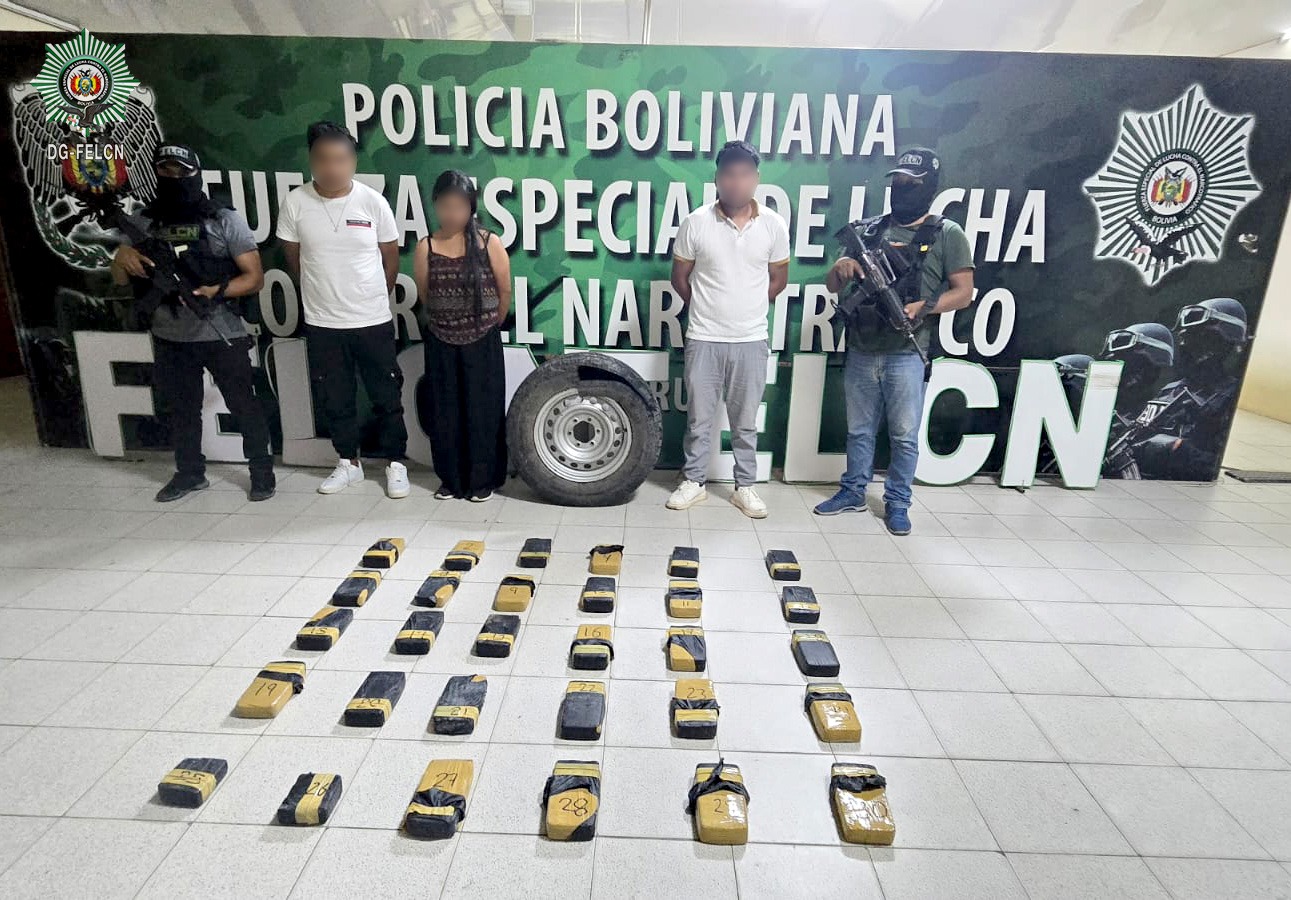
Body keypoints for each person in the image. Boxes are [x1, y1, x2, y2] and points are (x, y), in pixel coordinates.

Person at [815, 147, 974, 535]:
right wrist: (841, 268)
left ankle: (898, 503)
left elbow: (965, 292)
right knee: (858, 430)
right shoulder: (868, 230)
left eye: (912, 183)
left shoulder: (946, 233)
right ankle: (853, 491)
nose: (902, 189)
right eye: (898, 181)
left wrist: (925, 306)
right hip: (863, 348)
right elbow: (833, 284)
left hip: (907, 351)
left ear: (930, 187)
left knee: (904, 436)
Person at [110, 143, 275, 503]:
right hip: (169, 334)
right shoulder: (144, 224)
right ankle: (189, 474)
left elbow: (255, 278)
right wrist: (121, 257)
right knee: (182, 410)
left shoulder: (223, 220)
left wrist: (216, 291)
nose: (174, 178)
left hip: (221, 330)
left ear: (196, 174)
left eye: (182, 172)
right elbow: (121, 281)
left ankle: (262, 472)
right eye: (166, 171)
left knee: (244, 405)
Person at [277, 120, 409, 498]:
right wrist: (323, 295)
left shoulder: (372, 201)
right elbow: (294, 258)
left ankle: (395, 463)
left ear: (352, 162)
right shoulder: (296, 203)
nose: (332, 167)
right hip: (322, 322)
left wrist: (371, 296)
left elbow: (390, 257)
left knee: (386, 396)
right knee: (336, 397)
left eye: (340, 159)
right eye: (324, 159)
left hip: (371, 320)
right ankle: (348, 463)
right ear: (312, 161)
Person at [667, 140, 790, 518]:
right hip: (703, 337)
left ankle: (745, 487)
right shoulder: (696, 222)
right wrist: (708, 308)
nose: (736, 182)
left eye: (744, 174)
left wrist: (747, 309)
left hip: (751, 339)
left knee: (745, 422)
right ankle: (694, 482)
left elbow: (778, 280)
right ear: (717, 178)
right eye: (729, 174)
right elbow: (680, 279)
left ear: (755, 179)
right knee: (699, 419)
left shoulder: (773, 224)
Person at [412, 170, 511, 501]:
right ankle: (451, 480)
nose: (451, 213)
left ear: (471, 208)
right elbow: (426, 295)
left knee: (482, 411)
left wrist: (483, 324)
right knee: (445, 413)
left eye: (459, 206)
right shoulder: (426, 246)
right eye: (445, 206)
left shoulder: (488, 242)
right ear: (435, 206)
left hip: (482, 339)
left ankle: (483, 481)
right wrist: (449, 322)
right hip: (441, 341)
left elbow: (504, 291)